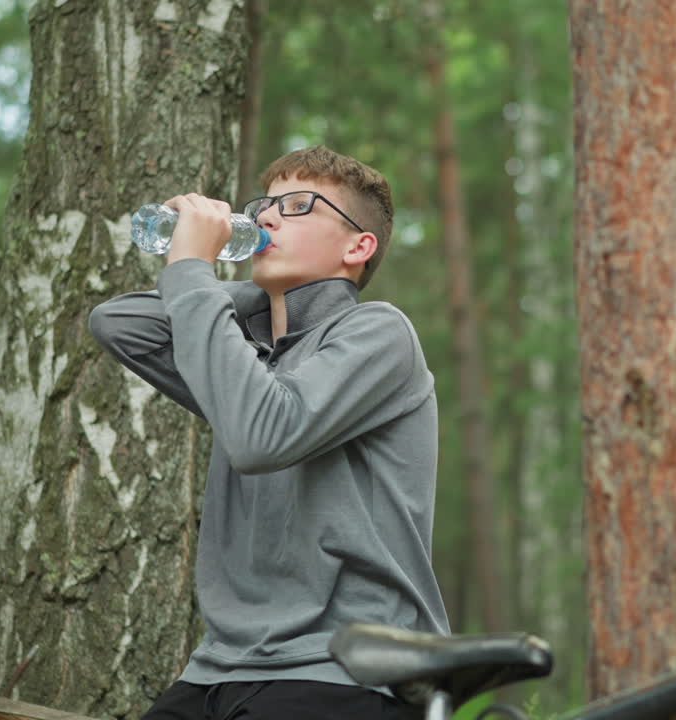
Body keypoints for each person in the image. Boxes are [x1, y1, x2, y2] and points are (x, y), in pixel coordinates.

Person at [88, 145, 450, 720]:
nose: (267, 218)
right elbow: (119, 323)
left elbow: (263, 436)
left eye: (300, 205)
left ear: (358, 246)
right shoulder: (248, 358)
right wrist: (262, 301)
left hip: (348, 670)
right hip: (219, 669)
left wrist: (191, 273)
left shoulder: (380, 334)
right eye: (266, 205)